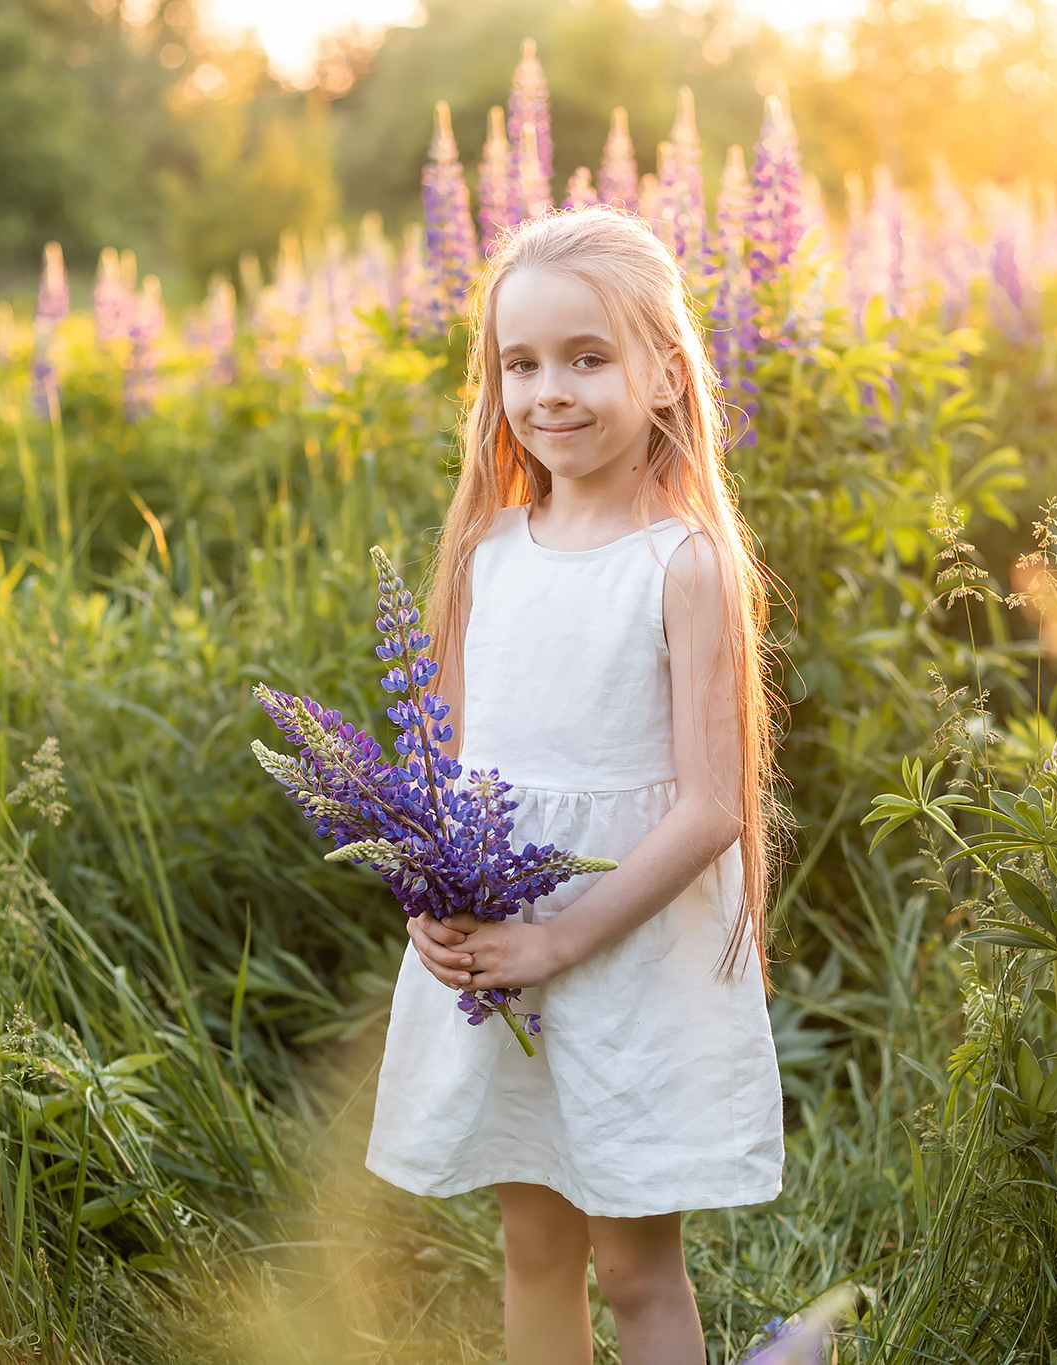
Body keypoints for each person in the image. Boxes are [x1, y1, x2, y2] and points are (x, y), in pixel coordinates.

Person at [366, 206, 783, 1365]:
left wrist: (562, 943)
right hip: (497, 943)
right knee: (532, 1249)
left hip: (624, 949)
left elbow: (710, 808)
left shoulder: (680, 561)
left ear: (661, 374)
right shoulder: (485, 550)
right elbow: (436, 769)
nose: (549, 390)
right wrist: (426, 896)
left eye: (586, 359)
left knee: (637, 1268)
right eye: (520, 363)